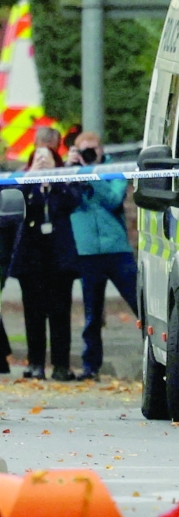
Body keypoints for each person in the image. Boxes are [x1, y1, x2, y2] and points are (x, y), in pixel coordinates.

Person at [66, 132, 139, 380]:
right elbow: (63, 201)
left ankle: (157, 354)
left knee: (140, 303)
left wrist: (90, 172)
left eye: (93, 149)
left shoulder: (113, 170)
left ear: (101, 150)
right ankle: (90, 366)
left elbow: (113, 198)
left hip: (117, 249)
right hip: (87, 252)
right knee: (92, 314)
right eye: (84, 149)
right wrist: (71, 169)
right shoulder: (70, 171)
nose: (89, 153)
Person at [9, 146, 81, 381]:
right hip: (31, 259)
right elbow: (16, 203)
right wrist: (32, 179)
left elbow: (73, 202)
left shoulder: (64, 183)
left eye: (46, 157)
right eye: (37, 157)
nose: (42, 160)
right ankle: (36, 364)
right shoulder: (25, 183)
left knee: (60, 314)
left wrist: (56, 180)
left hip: (59, 259)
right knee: (34, 314)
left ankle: (61, 365)